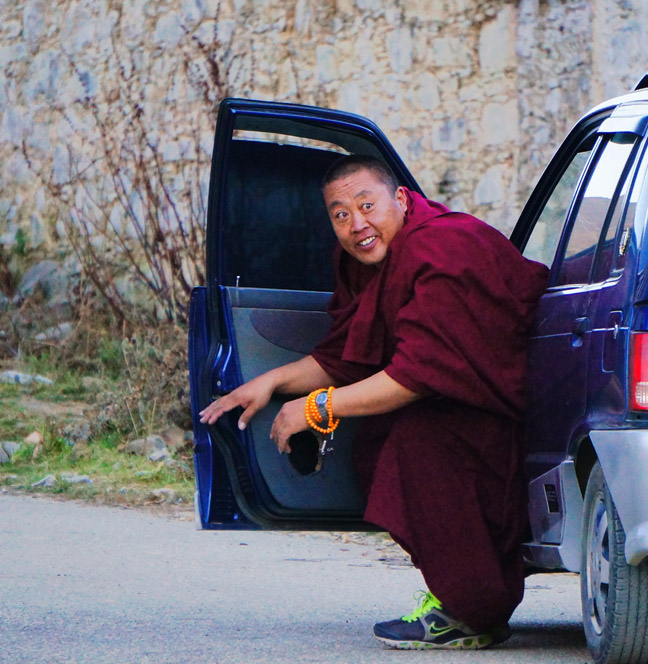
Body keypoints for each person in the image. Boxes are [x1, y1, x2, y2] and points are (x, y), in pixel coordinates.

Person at [199, 155, 549, 650]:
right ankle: (457, 593)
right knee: (380, 442)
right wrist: (274, 380)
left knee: (415, 442)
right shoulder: (374, 262)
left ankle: (472, 611)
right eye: (340, 214)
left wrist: (315, 408)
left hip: (501, 411)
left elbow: (416, 375)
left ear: (401, 200)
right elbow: (351, 353)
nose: (356, 224)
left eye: (367, 205)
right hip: (458, 401)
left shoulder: (443, 247)